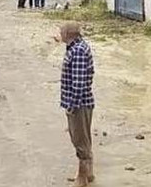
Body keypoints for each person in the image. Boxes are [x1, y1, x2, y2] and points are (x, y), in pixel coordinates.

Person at [58, 23, 95, 186]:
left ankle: (82, 177)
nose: (59, 34)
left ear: (68, 34)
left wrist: (71, 107)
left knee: (80, 140)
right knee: (83, 138)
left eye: (61, 32)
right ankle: (88, 173)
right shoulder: (76, 47)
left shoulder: (78, 51)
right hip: (80, 102)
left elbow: (78, 84)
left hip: (79, 104)